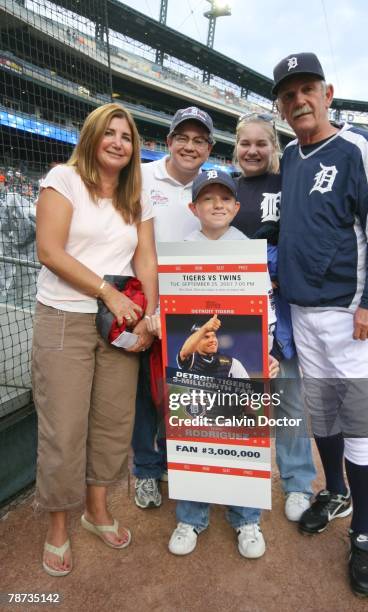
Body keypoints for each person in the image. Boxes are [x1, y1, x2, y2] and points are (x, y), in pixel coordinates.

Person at [272, 52, 368, 596]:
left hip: (352, 315)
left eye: (307, 89)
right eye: (288, 94)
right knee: (321, 416)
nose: (298, 100)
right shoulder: (288, 153)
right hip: (302, 312)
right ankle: (335, 491)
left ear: (328, 92)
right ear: (281, 107)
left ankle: (366, 533)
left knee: (357, 423)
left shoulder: (360, 145)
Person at [33, 103, 158, 576]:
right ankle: (58, 527)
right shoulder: (63, 179)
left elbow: (145, 257)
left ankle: (96, 511)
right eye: (109, 133)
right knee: (63, 428)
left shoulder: (136, 194)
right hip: (65, 316)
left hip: (121, 324)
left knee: (112, 421)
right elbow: (49, 250)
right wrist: (108, 292)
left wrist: (152, 309)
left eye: (126, 137)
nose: (118, 143)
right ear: (92, 137)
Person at [168, 170, 279, 559]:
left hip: (233, 381)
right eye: (207, 198)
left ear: (236, 206)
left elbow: (266, 306)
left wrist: (266, 350)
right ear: (193, 206)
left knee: (246, 436)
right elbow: (177, 326)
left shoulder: (248, 248)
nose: (216, 205)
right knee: (192, 439)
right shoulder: (180, 249)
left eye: (224, 199)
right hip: (195, 388)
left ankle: (246, 517)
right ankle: (191, 515)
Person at [232, 113, 316, 522]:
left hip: (282, 308)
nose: (252, 151)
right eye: (245, 144)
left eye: (261, 144)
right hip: (236, 309)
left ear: (274, 146)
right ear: (235, 147)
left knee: (287, 398)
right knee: (238, 397)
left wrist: (273, 267)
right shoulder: (225, 189)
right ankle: (235, 478)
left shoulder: (291, 182)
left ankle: (298, 482)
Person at [131, 107, 214, 509]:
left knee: (183, 392)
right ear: (167, 142)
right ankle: (146, 470)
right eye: (183, 137)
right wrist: (146, 307)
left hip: (192, 310)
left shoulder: (211, 188)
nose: (190, 146)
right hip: (148, 305)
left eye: (199, 140)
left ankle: (175, 462)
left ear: (209, 149)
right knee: (146, 397)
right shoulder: (143, 176)